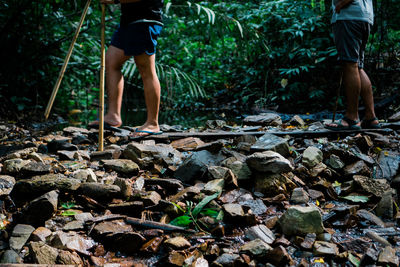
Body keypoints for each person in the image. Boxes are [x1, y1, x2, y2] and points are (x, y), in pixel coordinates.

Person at [92, 0, 164, 137]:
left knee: (146, 68)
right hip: (129, 20)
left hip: (145, 19)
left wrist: (114, 0)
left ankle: (153, 123)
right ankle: (113, 115)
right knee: (112, 61)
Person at [326, 0, 381, 130]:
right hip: (364, 17)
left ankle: (352, 118)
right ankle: (370, 117)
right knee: (357, 66)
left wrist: (340, 4)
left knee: (350, 64)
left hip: (349, 16)